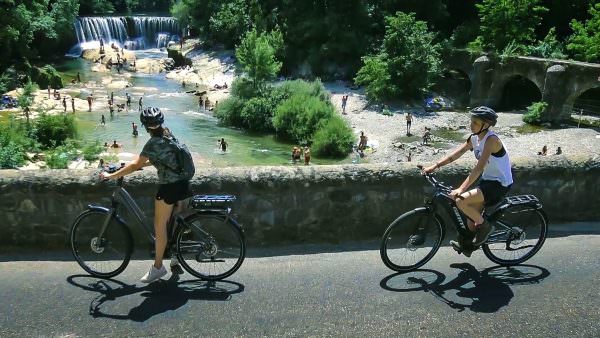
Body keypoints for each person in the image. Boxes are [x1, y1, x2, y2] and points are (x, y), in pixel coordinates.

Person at [101, 107, 194, 283]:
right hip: (183, 184)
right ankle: (175, 256)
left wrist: (112, 175)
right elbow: (165, 158)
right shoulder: (168, 134)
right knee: (174, 225)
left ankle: (158, 268)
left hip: (169, 188)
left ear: (144, 126)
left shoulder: (152, 143)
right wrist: (148, 163)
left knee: (160, 229)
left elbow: (136, 164)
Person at [423, 106, 512, 257]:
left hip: (500, 184)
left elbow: (478, 168)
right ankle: (468, 246)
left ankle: (486, 227)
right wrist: (435, 166)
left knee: (461, 201)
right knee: (471, 221)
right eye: (472, 121)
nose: (471, 125)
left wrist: (460, 189)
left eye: (476, 123)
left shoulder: (492, 140)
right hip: (487, 180)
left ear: (486, 125)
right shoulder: (474, 138)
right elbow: (457, 153)